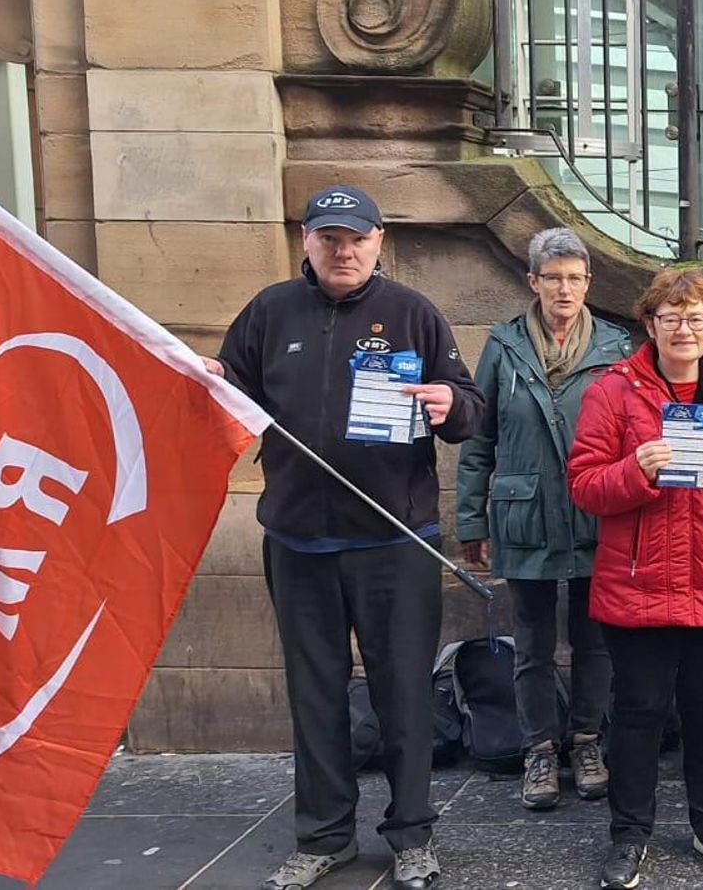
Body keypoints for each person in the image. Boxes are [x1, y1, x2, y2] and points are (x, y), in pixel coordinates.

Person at [207, 185, 484, 890]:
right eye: (330, 237)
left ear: (379, 240)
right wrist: (208, 380)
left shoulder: (413, 314)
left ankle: (412, 834)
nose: (344, 249)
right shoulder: (270, 311)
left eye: (356, 237)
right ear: (306, 239)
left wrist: (451, 402)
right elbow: (229, 397)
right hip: (298, 541)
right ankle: (325, 834)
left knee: (404, 694)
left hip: (394, 539)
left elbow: (468, 406)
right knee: (315, 692)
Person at [568, 270, 703, 889]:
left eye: (694, 317)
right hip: (639, 583)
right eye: (671, 318)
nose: (684, 329)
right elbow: (583, 485)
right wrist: (635, 470)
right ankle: (629, 834)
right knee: (638, 713)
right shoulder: (612, 392)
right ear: (650, 325)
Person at [456, 228, 630, 811]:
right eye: (552, 277)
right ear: (532, 281)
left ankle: (585, 740)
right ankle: (537, 748)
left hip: (593, 510)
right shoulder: (503, 346)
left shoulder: (616, 346)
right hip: (523, 511)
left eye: (574, 278)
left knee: (595, 638)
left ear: (588, 283)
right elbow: (479, 439)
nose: (564, 288)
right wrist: (470, 521)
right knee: (530, 641)